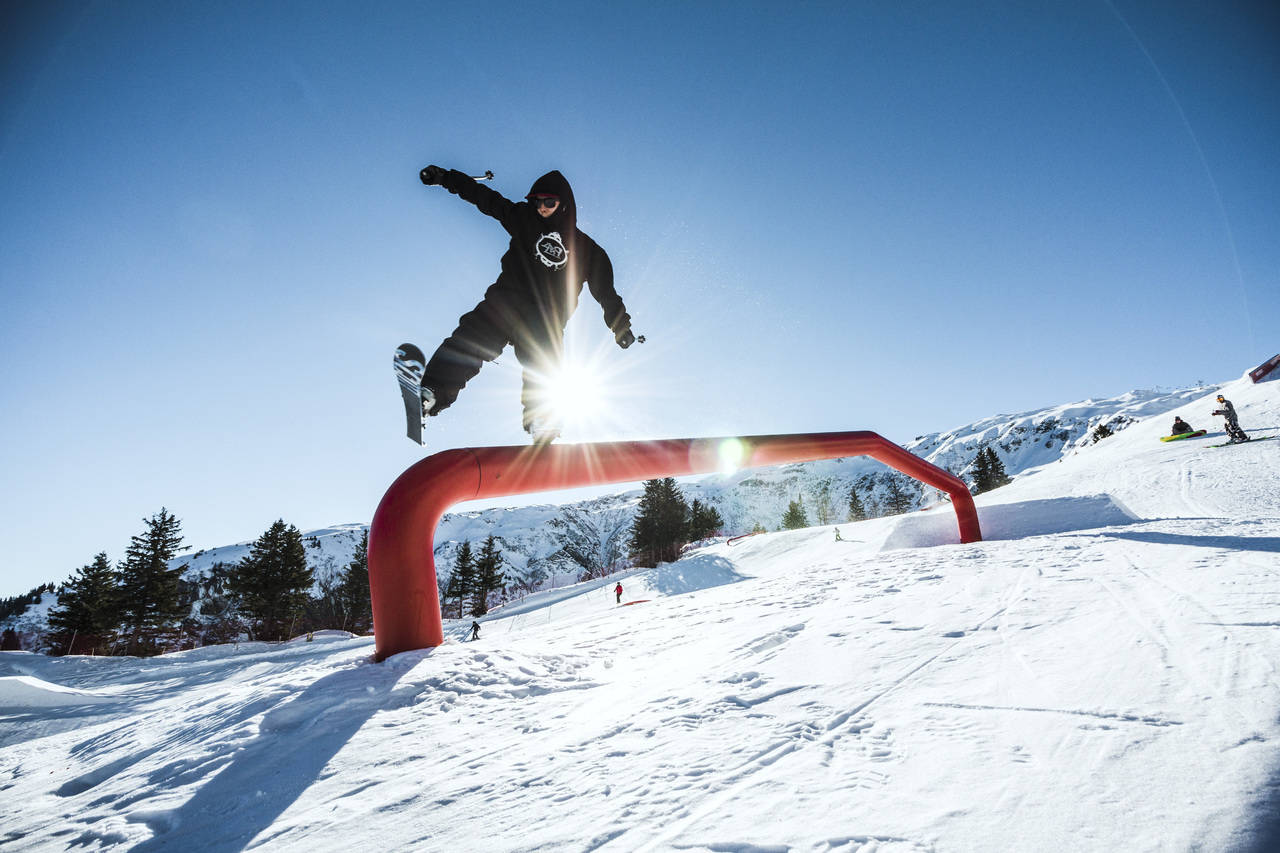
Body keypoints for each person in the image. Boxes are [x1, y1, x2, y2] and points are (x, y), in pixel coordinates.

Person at [417, 165, 636, 442]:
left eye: (549, 203)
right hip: (504, 303)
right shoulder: (523, 219)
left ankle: (543, 417)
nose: (542, 208)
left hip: (545, 317)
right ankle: (432, 393)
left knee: (544, 360)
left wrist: (620, 328)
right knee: (469, 340)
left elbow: (606, 293)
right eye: (537, 202)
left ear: (565, 205)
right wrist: (447, 178)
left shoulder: (589, 251)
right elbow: (485, 198)